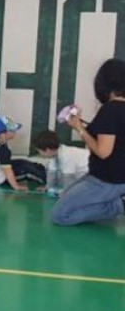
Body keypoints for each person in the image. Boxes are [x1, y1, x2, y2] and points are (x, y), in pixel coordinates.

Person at [51, 59, 125, 225]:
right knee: (64, 196)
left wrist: (79, 128)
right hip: (110, 177)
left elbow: (103, 152)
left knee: (60, 216)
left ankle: (120, 205)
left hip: (106, 181)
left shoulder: (110, 109)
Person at [0, 115, 46, 190]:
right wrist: (16, 186)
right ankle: (46, 178)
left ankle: (42, 169)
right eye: (12, 130)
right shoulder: (3, 150)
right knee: (27, 170)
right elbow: (8, 171)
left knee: (22, 162)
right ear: (3, 134)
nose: (15, 132)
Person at [32, 129, 89, 195]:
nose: (40, 154)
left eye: (39, 151)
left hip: (94, 174)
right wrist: (48, 187)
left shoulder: (67, 155)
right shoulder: (54, 155)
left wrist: (66, 193)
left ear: (47, 150)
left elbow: (68, 179)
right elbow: (51, 174)